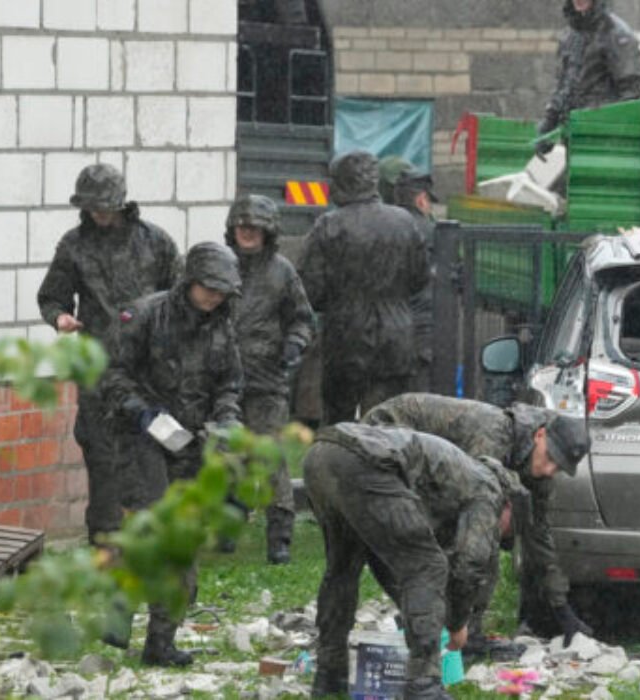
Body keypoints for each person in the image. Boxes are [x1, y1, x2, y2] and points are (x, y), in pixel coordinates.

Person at [304, 422, 525, 700]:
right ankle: (423, 683)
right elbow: (469, 564)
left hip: (323, 452)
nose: (497, 535)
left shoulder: (456, 475)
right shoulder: (489, 488)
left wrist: (416, 607)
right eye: (505, 532)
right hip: (366, 459)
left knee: (343, 569)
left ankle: (329, 673)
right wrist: (456, 624)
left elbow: (386, 557)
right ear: (509, 506)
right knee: (428, 565)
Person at [102, 242, 245, 667]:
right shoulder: (146, 315)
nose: (214, 297)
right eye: (208, 288)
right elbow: (111, 374)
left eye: (222, 291)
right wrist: (142, 411)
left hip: (191, 444)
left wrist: (226, 420)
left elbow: (230, 384)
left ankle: (161, 640)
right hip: (140, 437)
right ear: (190, 281)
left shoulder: (222, 326)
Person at [362, 394, 594, 653]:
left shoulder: (538, 470)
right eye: (550, 457)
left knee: (479, 536)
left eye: (559, 467)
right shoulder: (493, 434)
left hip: (425, 461)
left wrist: (562, 609)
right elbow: (474, 517)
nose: (550, 469)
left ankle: (442, 623)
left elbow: (538, 535)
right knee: (474, 539)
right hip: (384, 437)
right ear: (539, 435)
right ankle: (446, 626)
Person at [37, 163, 180, 546]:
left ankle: (155, 530)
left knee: (155, 443)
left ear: (121, 203)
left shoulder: (156, 242)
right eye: (92, 207)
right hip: (97, 366)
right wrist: (60, 317)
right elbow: (52, 294)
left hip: (148, 367)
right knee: (99, 447)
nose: (99, 214)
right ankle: (104, 535)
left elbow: (179, 297)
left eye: (105, 206)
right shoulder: (74, 245)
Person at [297, 150, 429, 423]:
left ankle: (343, 465)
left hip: (344, 339)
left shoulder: (328, 226)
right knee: (386, 424)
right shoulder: (404, 222)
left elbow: (310, 290)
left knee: (339, 423)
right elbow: (419, 279)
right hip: (396, 338)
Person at [224, 194, 315, 564]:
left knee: (272, 458)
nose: (248, 233)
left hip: (267, 380)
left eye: (255, 228)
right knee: (226, 455)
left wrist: (294, 345)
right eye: (242, 227)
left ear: (268, 232)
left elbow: (302, 318)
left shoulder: (282, 271)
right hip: (223, 380)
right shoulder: (221, 265)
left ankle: (280, 535)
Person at [537, 0, 640, 154]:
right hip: (573, 131)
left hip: (600, 135)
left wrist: (611, 133)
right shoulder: (571, 34)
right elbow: (564, 83)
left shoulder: (615, 33)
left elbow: (630, 93)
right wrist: (550, 120)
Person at [379, 158, 439, 391]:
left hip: (384, 333)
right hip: (421, 333)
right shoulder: (431, 232)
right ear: (422, 199)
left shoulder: (380, 227)